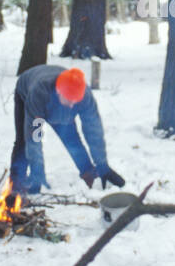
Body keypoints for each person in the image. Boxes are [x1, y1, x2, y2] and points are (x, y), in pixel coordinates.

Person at [10, 64, 125, 194]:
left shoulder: (85, 96)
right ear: (59, 92)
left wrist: (103, 165)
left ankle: (89, 173)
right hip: (27, 94)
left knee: (71, 139)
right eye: (69, 101)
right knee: (23, 142)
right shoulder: (40, 92)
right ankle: (17, 181)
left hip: (55, 102)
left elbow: (94, 132)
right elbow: (34, 139)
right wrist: (38, 173)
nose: (72, 106)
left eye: (75, 102)